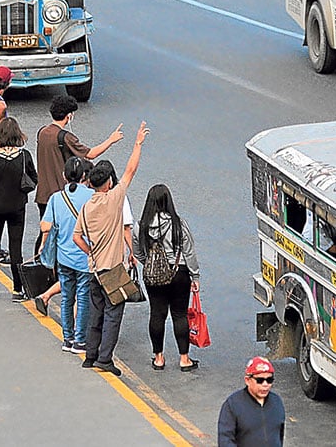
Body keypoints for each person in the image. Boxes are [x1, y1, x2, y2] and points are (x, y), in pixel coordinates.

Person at [74, 121, 150, 377]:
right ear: (107, 183)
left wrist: (91, 252)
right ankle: (105, 359)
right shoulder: (113, 199)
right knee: (113, 315)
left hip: (94, 269)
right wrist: (137, 143)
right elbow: (131, 170)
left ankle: (90, 355)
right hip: (113, 270)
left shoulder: (87, 206)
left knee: (95, 314)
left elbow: (77, 237)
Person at [133, 184, 201, 372]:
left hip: (153, 277)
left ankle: (158, 358)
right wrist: (195, 276)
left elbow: (137, 252)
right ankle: (184, 359)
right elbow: (189, 253)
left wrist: (151, 263)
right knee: (179, 315)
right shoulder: (179, 224)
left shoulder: (140, 226)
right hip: (178, 274)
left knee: (157, 314)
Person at [35, 94, 124, 217]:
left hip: (43, 194)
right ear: (69, 116)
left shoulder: (42, 132)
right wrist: (111, 140)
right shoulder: (66, 137)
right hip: (61, 194)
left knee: (46, 230)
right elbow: (91, 154)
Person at [39, 156, 93, 352]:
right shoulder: (91, 197)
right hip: (85, 257)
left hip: (63, 257)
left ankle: (67, 339)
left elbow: (45, 226)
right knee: (83, 297)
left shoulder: (56, 198)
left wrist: (44, 245)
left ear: (64, 176)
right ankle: (80, 340)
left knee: (67, 298)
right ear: (85, 176)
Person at [0, 117, 37, 301]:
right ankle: (17, 289)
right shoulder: (24, 156)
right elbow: (33, 179)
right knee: (16, 248)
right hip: (17, 206)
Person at [217, 357, 286, 447]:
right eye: (260, 380)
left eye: (269, 380)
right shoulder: (233, 404)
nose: (265, 385)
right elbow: (225, 440)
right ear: (247, 380)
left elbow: (279, 435)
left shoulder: (277, 402)